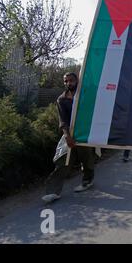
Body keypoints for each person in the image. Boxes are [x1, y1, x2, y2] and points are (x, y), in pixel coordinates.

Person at [42, 72, 96, 203]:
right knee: (62, 161)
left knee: (87, 158)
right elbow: (63, 120)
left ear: (77, 80)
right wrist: (67, 136)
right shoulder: (62, 99)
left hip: (84, 133)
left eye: (71, 80)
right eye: (66, 81)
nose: (68, 83)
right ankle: (53, 192)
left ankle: (87, 181)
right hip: (70, 134)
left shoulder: (85, 95)